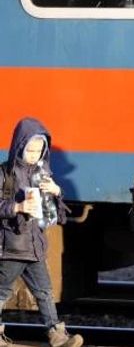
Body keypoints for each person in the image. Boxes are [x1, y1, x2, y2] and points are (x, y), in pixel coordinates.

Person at [0, 117, 82, 347]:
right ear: (19, 146)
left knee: (45, 291)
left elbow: (52, 215)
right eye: (30, 150)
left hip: (35, 246)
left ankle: (57, 336)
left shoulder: (42, 175)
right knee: (2, 291)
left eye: (39, 150)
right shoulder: (5, 174)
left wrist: (56, 192)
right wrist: (17, 207)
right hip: (11, 246)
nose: (34, 155)